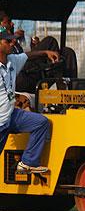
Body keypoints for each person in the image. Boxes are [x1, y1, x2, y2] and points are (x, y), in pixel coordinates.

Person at [0, 25, 59, 177]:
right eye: (8, 41)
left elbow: (29, 55)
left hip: (11, 116)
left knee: (41, 122)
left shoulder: (12, 60)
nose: (12, 43)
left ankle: (28, 163)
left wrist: (46, 51)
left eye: (12, 41)